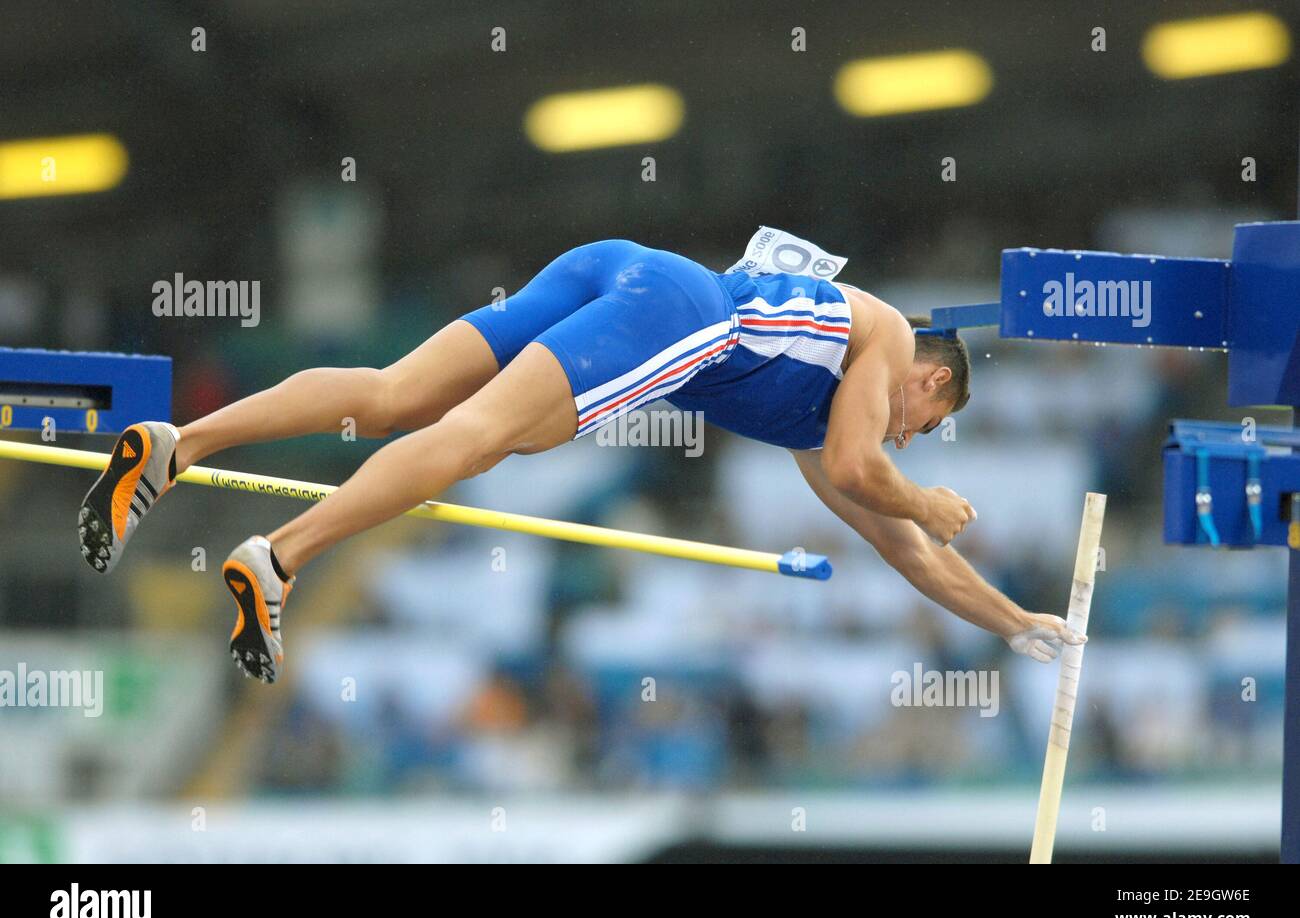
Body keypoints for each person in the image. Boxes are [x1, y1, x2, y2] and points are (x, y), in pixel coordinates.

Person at [77, 229, 1076, 684]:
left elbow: (904, 550)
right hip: (681, 310)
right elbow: (877, 480)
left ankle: (177, 444)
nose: (910, 433)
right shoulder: (891, 343)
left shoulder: (820, 421)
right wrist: (928, 494)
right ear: (935, 380)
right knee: (471, 441)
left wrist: (1016, 620)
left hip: (615, 264)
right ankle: (280, 555)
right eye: (923, 422)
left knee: (392, 395)